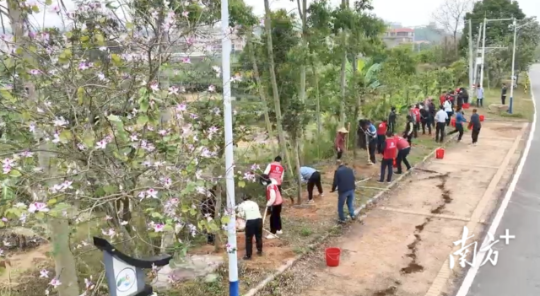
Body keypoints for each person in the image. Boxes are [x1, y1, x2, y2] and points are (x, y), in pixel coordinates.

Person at [236, 194, 263, 260]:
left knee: (249, 239)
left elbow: (241, 215)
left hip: (250, 221)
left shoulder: (241, 205)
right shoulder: (254, 203)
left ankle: (248, 255)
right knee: (258, 236)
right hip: (259, 220)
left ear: (243, 199)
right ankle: (260, 251)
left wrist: (236, 215)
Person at [260, 174, 283, 239]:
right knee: (277, 216)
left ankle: (273, 233)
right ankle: (279, 229)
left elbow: (273, 197)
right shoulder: (272, 183)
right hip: (279, 202)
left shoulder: (271, 187)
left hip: (276, 203)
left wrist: (269, 203)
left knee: (273, 218)